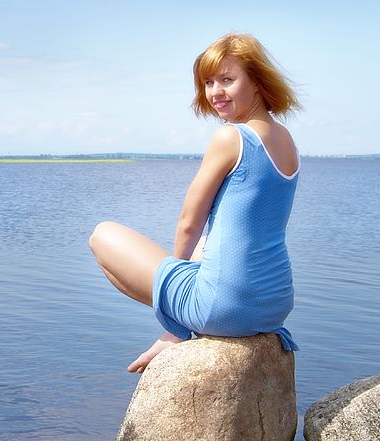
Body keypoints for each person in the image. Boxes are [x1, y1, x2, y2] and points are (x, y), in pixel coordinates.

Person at [89, 32, 302, 373]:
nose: (216, 91)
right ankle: (177, 328)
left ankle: (177, 326)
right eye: (208, 82)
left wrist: (178, 275)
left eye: (228, 80)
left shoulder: (230, 137)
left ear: (258, 82)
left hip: (227, 306)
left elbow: (190, 220)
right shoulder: (286, 140)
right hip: (274, 304)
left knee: (102, 235)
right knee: (210, 244)